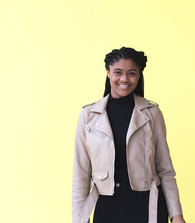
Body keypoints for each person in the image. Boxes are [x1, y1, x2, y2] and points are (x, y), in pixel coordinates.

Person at [72, 47, 186, 223]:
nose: (124, 79)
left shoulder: (152, 114)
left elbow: (166, 171)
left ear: (139, 75)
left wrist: (177, 215)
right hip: (106, 208)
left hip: (147, 207)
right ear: (108, 72)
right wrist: (80, 219)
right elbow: (81, 175)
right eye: (118, 72)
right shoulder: (89, 116)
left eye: (131, 73)